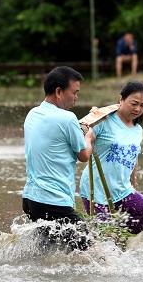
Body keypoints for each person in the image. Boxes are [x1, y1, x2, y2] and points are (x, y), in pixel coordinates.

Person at [22, 66, 95, 251]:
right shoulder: (67, 118)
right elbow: (84, 155)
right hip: (54, 202)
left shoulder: (32, 114)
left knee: (48, 252)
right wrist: (89, 137)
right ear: (59, 92)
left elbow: (54, 140)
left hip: (31, 200)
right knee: (95, 252)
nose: (76, 97)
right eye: (74, 92)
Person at [79, 81, 143, 234]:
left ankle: (120, 239)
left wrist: (133, 184)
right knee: (102, 233)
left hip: (122, 189)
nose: (137, 109)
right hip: (96, 189)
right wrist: (91, 118)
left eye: (142, 105)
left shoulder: (138, 130)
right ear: (121, 99)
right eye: (134, 103)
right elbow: (79, 131)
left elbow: (133, 158)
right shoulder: (104, 120)